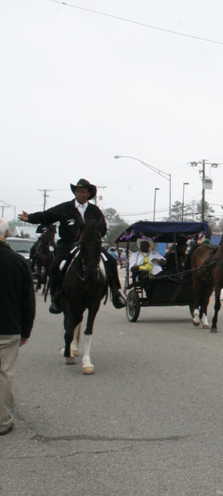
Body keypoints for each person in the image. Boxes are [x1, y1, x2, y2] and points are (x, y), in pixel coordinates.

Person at [18, 178, 126, 313]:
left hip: (90, 244)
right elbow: (47, 216)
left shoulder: (94, 210)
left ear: (88, 194)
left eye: (83, 191)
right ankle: (56, 298)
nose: (80, 193)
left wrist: (94, 237)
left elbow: (103, 227)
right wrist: (30, 218)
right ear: (75, 192)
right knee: (55, 267)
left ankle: (116, 294)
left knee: (110, 261)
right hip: (68, 244)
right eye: (78, 191)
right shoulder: (65, 208)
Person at [0, 217, 36, 436]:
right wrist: (26, 331)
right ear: (5, 235)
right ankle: (2, 421)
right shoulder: (19, 261)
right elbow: (28, 300)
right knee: (4, 373)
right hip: (8, 327)